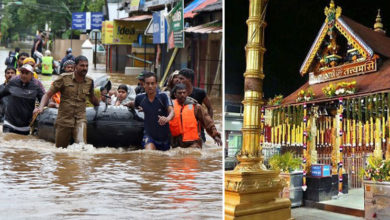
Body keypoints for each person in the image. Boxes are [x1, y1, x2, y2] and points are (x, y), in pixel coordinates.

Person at [34, 55, 99, 148]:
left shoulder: (89, 81)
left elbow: (92, 97)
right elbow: (48, 94)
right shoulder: (64, 78)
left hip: (80, 119)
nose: (85, 68)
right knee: (60, 149)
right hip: (64, 119)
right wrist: (40, 107)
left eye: (86, 66)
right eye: (82, 65)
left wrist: (101, 106)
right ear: (76, 66)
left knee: (82, 147)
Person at [127, 72, 174, 151]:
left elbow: (172, 112)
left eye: (152, 83)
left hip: (164, 138)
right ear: (143, 84)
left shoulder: (164, 96)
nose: (150, 86)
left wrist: (167, 119)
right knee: (149, 155)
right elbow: (134, 104)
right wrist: (127, 105)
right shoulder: (140, 98)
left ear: (156, 84)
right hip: (149, 137)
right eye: (147, 83)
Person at [169, 83, 222, 148]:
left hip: (193, 143)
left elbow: (208, 122)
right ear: (175, 94)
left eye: (184, 93)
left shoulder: (196, 107)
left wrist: (215, 135)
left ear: (187, 93)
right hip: (175, 143)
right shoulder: (170, 107)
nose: (182, 95)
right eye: (179, 93)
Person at [0, 64, 45, 135]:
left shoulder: (36, 88)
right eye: (22, 72)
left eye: (26, 73)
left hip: (25, 127)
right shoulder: (12, 83)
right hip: (9, 124)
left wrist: (39, 108)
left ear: (32, 75)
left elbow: (45, 100)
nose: (24, 75)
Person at [178, 68, 214, 142]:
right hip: (182, 129)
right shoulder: (176, 93)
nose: (179, 81)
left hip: (198, 129)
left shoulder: (200, 93)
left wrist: (207, 123)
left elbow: (209, 107)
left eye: (182, 79)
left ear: (189, 79)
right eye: (178, 79)